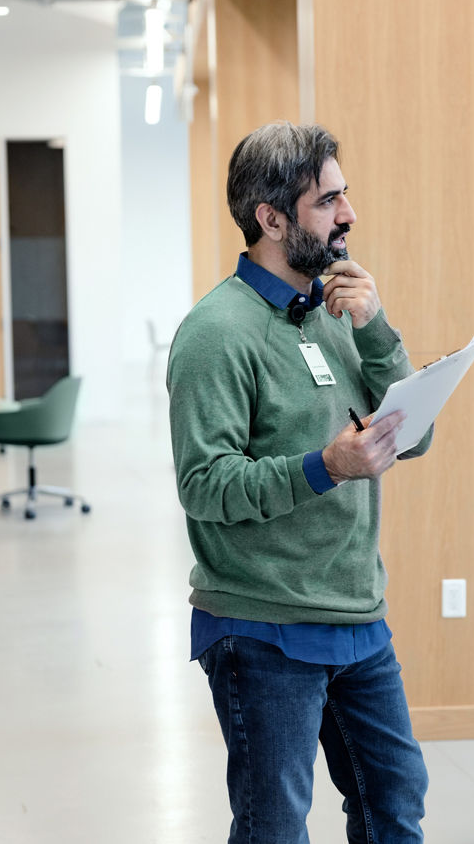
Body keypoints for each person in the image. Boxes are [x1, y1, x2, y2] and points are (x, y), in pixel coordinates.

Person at [167, 121, 435, 843]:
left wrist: (377, 331)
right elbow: (205, 485)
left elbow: (414, 437)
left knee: (395, 801)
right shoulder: (216, 333)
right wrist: (326, 466)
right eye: (329, 201)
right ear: (272, 218)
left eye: (344, 196)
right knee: (275, 824)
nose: (349, 215)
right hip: (262, 625)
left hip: (356, 613)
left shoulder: (338, 311)